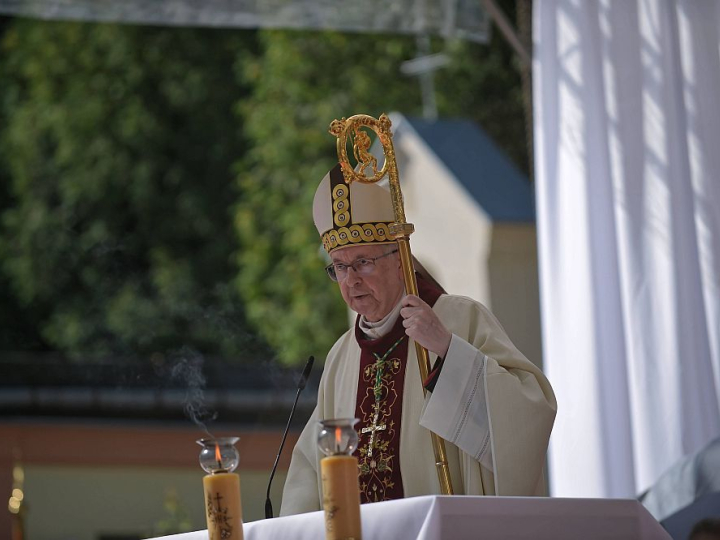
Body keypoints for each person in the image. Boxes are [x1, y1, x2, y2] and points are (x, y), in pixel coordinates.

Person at [280, 164, 557, 515]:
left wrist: (447, 350)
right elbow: (311, 466)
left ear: (399, 259)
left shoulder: (458, 318)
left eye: (362, 261)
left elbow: (530, 410)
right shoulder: (342, 355)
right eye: (339, 266)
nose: (350, 280)